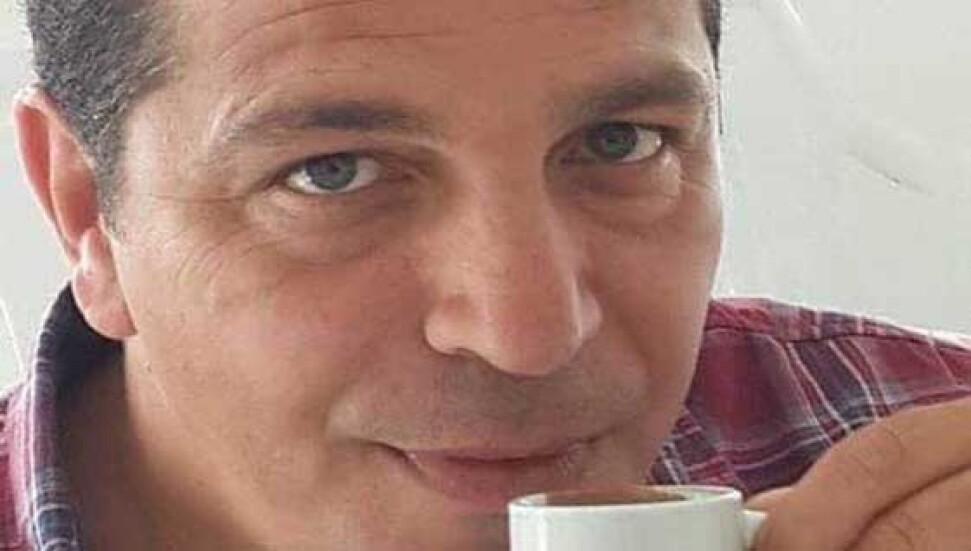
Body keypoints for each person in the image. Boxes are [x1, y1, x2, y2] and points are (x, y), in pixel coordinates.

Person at [1, 0, 969, 549]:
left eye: (619, 142)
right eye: (333, 172)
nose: (530, 334)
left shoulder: (908, 436)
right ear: (85, 211)